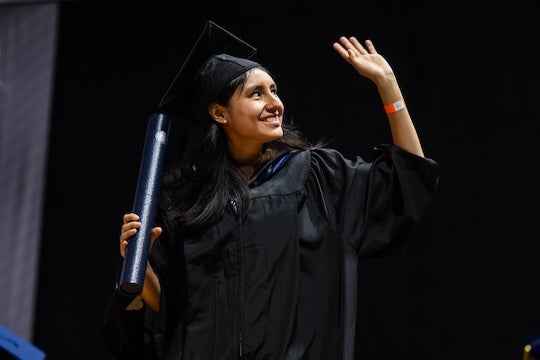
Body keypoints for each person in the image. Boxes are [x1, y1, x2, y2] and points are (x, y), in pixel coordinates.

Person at [103, 20, 441, 360]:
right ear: (219, 113)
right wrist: (140, 263)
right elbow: (172, 311)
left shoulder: (314, 176)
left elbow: (405, 181)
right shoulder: (185, 196)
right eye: (256, 93)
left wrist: (389, 87)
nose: (274, 103)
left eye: (274, 90)